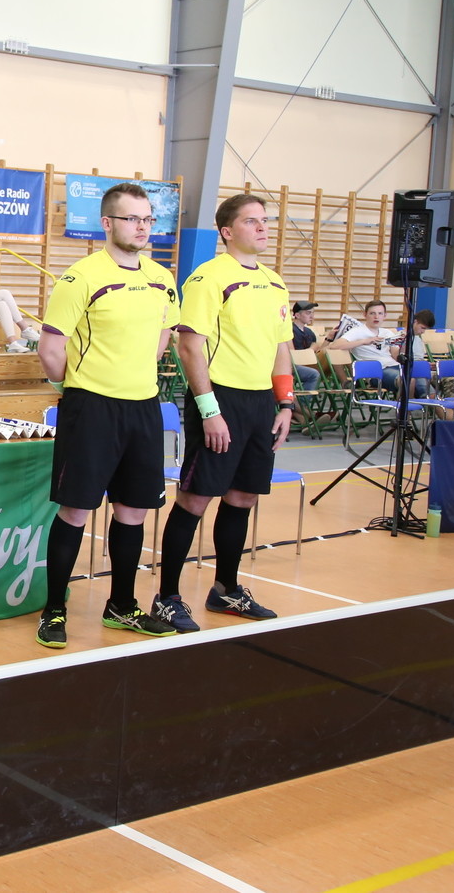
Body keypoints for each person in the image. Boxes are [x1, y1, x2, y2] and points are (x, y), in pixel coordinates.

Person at [33, 183, 179, 649]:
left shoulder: (163, 278)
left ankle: (121, 605)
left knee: (133, 510)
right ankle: (54, 610)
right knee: (76, 509)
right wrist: (81, 384)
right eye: (132, 218)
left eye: (148, 219)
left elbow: (163, 335)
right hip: (91, 407)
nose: (142, 227)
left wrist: (134, 373)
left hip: (143, 407)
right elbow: (50, 349)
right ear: (107, 223)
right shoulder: (80, 277)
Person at [153, 193, 292, 633]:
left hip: (260, 403)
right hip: (219, 399)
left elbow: (281, 348)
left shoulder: (275, 283)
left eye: (265, 220)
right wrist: (209, 410)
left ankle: (225, 589)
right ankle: (167, 598)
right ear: (227, 232)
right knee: (196, 498)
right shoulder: (208, 278)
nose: (262, 227)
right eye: (252, 221)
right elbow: (189, 346)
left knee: (243, 496)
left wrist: (285, 403)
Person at [332, 300, 401, 393]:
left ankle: (411, 399)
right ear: (365, 315)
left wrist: (403, 343)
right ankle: (405, 400)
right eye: (372, 313)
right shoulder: (357, 331)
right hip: (375, 371)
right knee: (404, 380)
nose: (376, 317)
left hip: (394, 365)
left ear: (385, 316)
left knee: (417, 378)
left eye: (380, 313)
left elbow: (396, 356)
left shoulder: (387, 333)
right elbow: (334, 346)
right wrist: (364, 341)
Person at [290, 301, 321, 392]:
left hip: (307, 364)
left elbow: (317, 347)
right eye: (308, 313)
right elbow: (293, 354)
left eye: (312, 313)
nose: (312, 316)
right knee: (314, 374)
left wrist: (329, 339)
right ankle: (302, 400)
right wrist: (310, 350)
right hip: (293, 365)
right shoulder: (290, 331)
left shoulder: (309, 332)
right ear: (297, 315)